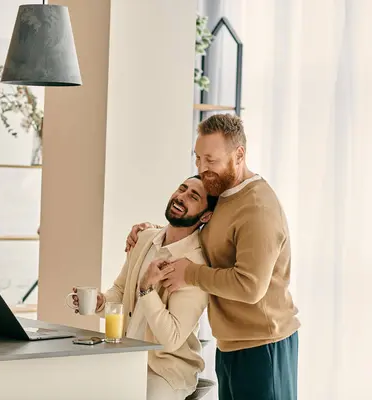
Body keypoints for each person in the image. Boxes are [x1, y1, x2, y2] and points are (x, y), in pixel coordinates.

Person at [125, 114, 300, 400]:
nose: (202, 169)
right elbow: (208, 236)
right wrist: (150, 231)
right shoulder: (225, 195)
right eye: (198, 159)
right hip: (231, 343)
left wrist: (190, 273)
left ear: (239, 154)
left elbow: (250, 286)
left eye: (211, 160)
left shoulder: (257, 208)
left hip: (264, 344)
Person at [71, 175, 217, 400]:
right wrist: (101, 302)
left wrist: (147, 289)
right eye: (182, 188)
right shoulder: (144, 239)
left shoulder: (195, 264)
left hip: (166, 372)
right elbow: (119, 292)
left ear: (205, 215)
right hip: (126, 356)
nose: (181, 197)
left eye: (193, 196)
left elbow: (171, 339)